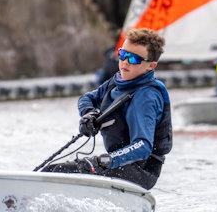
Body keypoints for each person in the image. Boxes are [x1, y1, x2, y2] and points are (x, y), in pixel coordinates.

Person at [44, 28, 171, 190]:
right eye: (123, 54)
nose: (124, 62)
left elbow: (143, 146)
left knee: (58, 171)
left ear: (151, 66)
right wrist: (88, 114)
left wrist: (107, 160)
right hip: (118, 164)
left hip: (140, 171)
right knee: (52, 170)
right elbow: (87, 98)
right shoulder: (118, 80)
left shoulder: (147, 97)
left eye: (133, 59)